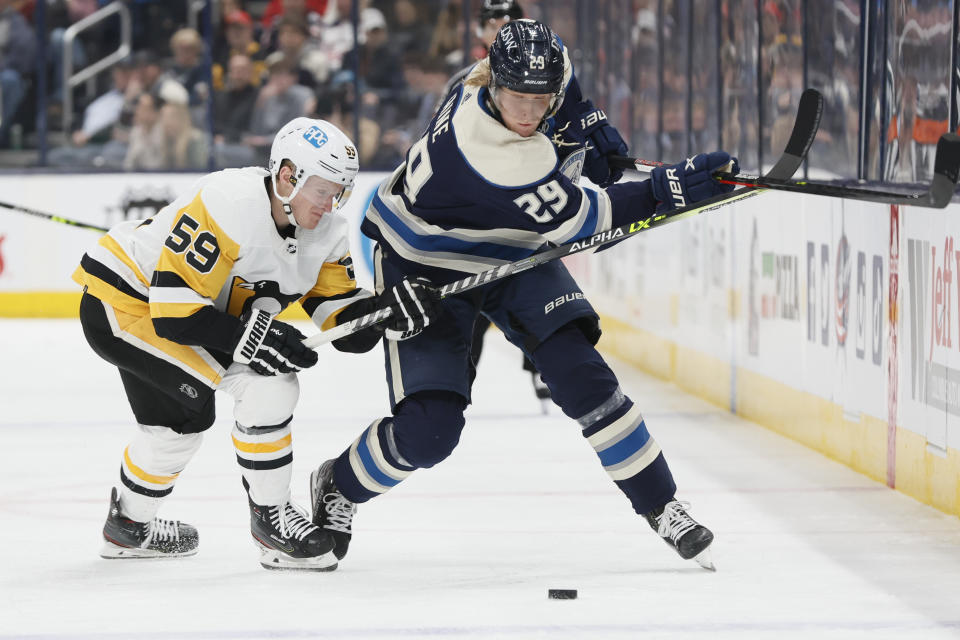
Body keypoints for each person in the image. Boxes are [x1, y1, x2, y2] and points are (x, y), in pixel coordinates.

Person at [308, 19, 740, 570]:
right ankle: (339, 485)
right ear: (494, 87)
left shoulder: (488, 75)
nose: (529, 111)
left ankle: (663, 506)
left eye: (542, 99)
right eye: (518, 96)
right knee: (429, 431)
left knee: (584, 378)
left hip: (512, 247)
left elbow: (560, 78)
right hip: (426, 263)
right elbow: (593, 220)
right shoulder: (492, 151)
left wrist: (588, 118)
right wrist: (671, 188)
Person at [73, 117, 439, 570]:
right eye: (323, 190)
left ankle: (127, 528)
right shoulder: (231, 202)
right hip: (127, 304)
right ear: (287, 176)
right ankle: (272, 524)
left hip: (176, 317)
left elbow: (340, 322)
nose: (331, 205)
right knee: (270, 385)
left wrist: (387, 312)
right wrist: (254, 337)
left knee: (180, 425)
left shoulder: (326, 233)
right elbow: (174, 310)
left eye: (339, 192)